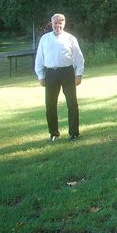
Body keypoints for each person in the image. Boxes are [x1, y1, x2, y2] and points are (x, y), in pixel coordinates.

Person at [34, 13, 85, 141]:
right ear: (51, 23)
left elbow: (79, 58)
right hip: (50, 74)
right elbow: (39, 58)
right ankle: (53, 134)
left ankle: (74, 133)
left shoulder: (70, 38)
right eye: (55, 23)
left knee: (72, 104)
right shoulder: (45, 39)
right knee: (50, 105)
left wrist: (79, 74)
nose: (58, 25)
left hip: (67, 73)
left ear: (64, 23)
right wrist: (40, 75)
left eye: (60, 22)